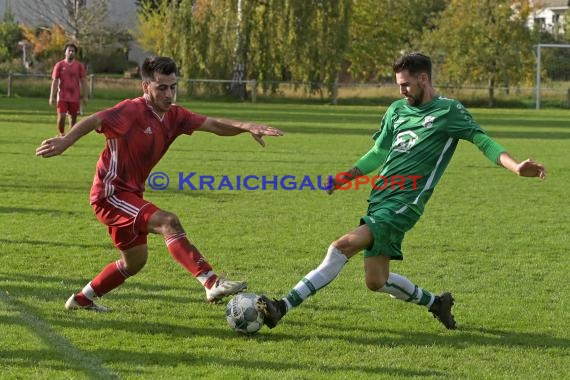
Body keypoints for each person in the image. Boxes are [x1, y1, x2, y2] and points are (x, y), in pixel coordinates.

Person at [258, 52, 546, 330]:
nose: (402, 91)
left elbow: (483, 142)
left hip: (405, 204)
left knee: (341, 246)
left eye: (406, 84)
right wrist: (347, 175)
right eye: (398, 85)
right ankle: (437, 303)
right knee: (376, 280)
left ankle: (282, 306)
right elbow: (379, 151)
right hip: (380, 198)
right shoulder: (396, 111)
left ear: (423, 78)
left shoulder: (449, 111)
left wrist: (516, 166)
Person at [36, 56, 283, 312]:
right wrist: (66, 140)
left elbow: (213, 125)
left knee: (134, 262)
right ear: (146, 87)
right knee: (168, 222)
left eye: (173, 87)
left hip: (131, 195)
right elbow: (96, 120)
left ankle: (80, 301)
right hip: (110, 195)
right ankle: (210, 281)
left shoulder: (175, 116)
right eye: (161, 87)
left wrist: (246, 126)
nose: (169, 94)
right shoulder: (132, 110)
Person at [49, 43, 89, 136]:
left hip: (74, 96)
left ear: (75, 53)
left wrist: (85, 96)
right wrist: (52, 96)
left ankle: (70, 137)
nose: (71, 52)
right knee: (62, 116)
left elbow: (83, 81)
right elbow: (55, 81)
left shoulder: (79, 66)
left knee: (73, 118)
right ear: (65, 52)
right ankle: (61, 133)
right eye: (69, 50)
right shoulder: (59, 65)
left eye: (73, 51)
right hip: (62, 96)